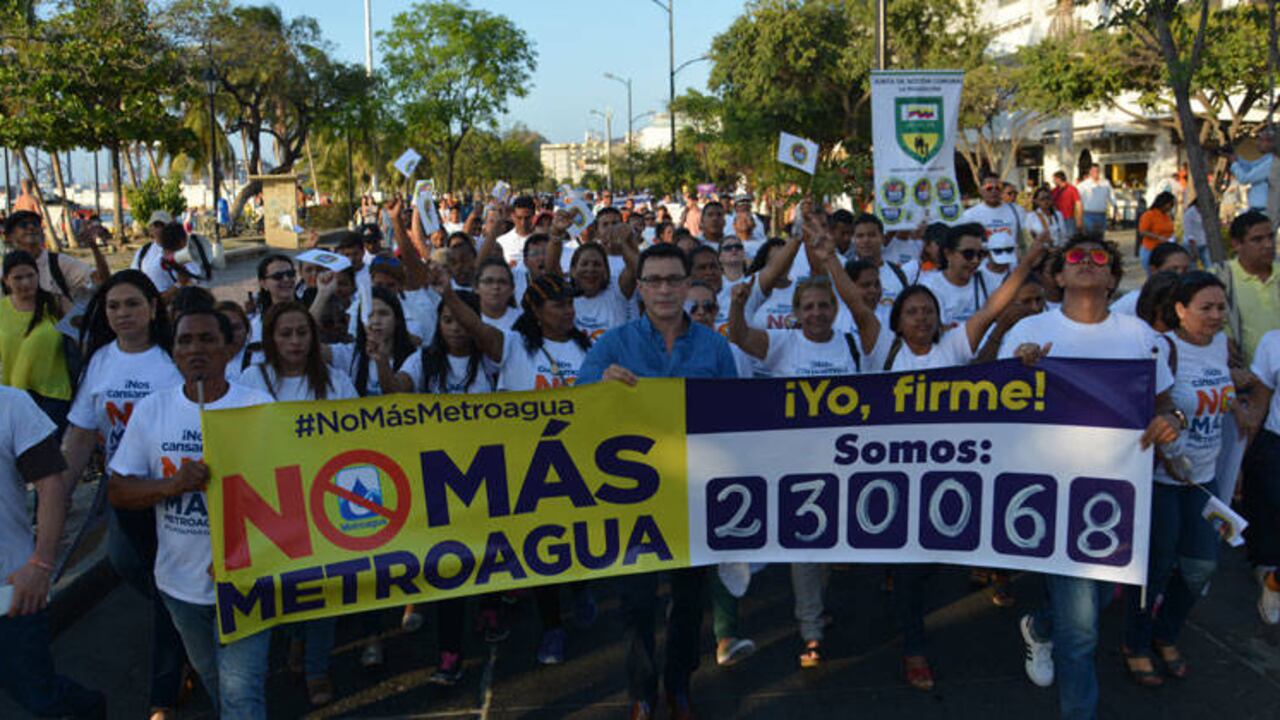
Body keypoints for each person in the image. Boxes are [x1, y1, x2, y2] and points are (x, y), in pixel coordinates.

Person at [1003, 235, 1180, 720]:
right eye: (1073, 259)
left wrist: (1172, 424)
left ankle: (1040, 626)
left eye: (1097, 258)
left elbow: (1165, 406)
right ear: (1057, 276)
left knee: (1099, 597)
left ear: (1112, 276)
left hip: (1118, 495)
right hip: (1052, 494)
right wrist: (1016, 374)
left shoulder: (1139, 335)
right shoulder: (1031, 330)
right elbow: (996, 413)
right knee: (1081, 633)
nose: (1085, 263)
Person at [577, 243, 738, 720]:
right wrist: (600, 387)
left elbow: (738, 419)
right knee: (637, 603)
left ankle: (679, 684)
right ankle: (642, 692)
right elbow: (576, 407)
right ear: (641, 287)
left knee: (689, 603)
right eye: (655, 281)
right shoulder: (612, 343)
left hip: (693, 493)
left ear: (688, 285)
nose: (665, 289)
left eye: (674, 280)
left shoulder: (714, 347)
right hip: (634, 498)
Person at [108, 306, 273, 718]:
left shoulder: (258, 407)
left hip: (245, 584)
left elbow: (287, 496)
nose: (195, 349)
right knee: (215, 682)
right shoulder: (152, 410)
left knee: (241, 695)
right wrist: (171, 485)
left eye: (206, 339)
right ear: (174, 352)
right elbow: (118, 490)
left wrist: (243, 553)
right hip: (179, 586)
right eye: (184, 341)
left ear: (228, 348)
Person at [60, 270, 184, 718]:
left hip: (175, 494)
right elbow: (79, 435)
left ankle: (163, 698)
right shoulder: (99, 362)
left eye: (132, 304)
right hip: (123, 491)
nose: (122, 314)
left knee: (168, 589)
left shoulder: (173, 358)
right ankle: (192, 626)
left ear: (153, 309)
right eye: (113, 306)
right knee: (129, 565)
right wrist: (57, 495)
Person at [1123, 271, 1240, 686]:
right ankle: (1136, 643)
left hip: (1205, 481)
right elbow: (1147, 410)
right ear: (1179, 310)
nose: (1215, 316)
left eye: (1220, 307)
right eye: (1205, 308)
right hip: (1161, 480)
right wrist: (1169, 450)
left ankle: (1166, 632)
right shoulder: (1163, 348)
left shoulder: (1222, 345)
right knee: (1156, 568)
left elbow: (1227, 396)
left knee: (1201, 568)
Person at [237, 302, 357, 706]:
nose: (294, 342)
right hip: (272, 502)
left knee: (323, 589)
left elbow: (359, 437)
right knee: (286, 589)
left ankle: (317, 668)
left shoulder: (336, 381)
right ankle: (297, 640)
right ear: (270, 338)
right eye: (285, 334)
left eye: (302, 333)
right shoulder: (252, 380)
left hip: (324, 500)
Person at [0, 385, 105, 718]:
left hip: (11, 592)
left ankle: (89, 710)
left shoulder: (11, 405)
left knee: (40, 698)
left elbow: (51, 486)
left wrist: (41, 564)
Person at [1, 250, 71, 429]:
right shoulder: (1, 309)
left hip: (54, 396)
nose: (26, 282)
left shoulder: (57, 303)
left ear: (38, 275)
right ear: (6, 280)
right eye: (18, 278)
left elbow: (83, 340)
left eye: (30, 275)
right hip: (13, 396)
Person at [3, 210, 106, 310]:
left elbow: (102, 280)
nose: (31, 227)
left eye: (35, 224)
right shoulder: (4, 271)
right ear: (9, 236)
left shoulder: (58, 262)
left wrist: (94, 248)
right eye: (24, 225)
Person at [1217, 210, 1280, 366]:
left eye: (1271, 237)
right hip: (1245, 379)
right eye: (1257, 240)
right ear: (1236, 244)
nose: (1268, 245)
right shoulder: (1221, 278)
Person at [920, 223, 990, 325]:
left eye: (980, 255)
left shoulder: (987, 281)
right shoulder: (929, 287)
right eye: (968, 254)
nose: (975, 261)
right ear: (948, 254)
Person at [1112, 243, 1190, 316]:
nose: (1180, 275)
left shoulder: (1191, 303)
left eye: (1185, 270)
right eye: (1173, 269)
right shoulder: (1131, 302)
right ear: (1154, 270)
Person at [851, 213, 909, 305]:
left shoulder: (897, 273)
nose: (866, 240)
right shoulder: (844, 273)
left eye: (872, 235)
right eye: (860, 236)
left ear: (882, 238)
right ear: (853, 240)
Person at [961, 173, 1023, 243]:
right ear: (980, 190)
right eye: (989, 188)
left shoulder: (1017, 211)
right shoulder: (969, 215)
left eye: (997, 188)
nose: (994, 191)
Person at [248, 254, 297, 342]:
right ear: (263, 284)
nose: (286, 279)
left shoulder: (312, 306)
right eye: (277, 276)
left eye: (290, 274)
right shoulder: (257, 326)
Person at [1230, 127, 1275, 212]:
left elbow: (1245, 178)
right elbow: (1251, 167)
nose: (1258, 143)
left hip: (1264, 212)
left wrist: (1234, 164)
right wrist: (1236, 159)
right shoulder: (1268, 158)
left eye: (1262, 140)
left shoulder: (1272, 162)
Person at [1138, 191, 1178, 275]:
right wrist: (1158, 237)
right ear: (1163, 203)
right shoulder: (1149, 215)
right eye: (1170, 204)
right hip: (1150, 250)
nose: (1171, 207)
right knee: (1153, 276)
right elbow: (1142, 231)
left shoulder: (1167, 216)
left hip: (1164, 250)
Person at [496, 195, 537, 265]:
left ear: (533, 216)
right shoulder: (501, 242)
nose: (523, 223)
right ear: (512, 216)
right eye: (519, 218)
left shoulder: (542, 241)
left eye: (527, 218)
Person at [1077, 166, 1114, 235]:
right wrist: (1079, 218)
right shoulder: (1083, 185)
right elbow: (1079, 202)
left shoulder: (1105, 183)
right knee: (1090, 238)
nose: (1095, 173)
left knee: (1100, 237)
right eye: (1093, 171)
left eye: (1097, 171)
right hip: (1088, 215)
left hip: (1102, 214)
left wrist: (1116, 209)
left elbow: (1111, 196)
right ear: (1090, 172)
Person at [1051, 170, 1083, 238]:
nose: (1053, 181)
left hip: (1069, 219)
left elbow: (1078, 204)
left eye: (1054, 179)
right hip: (1057, 219)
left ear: (1058, 179)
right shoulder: (1054, 190)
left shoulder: (1072, 189)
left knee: (1070, 239)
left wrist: (1079, 220)